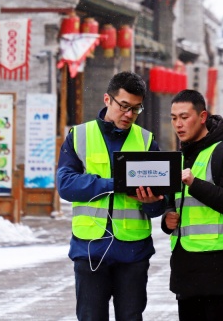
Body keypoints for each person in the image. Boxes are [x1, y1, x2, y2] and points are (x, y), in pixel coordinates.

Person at [57, 71, 165, 321]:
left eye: (136, 109)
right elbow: (66, 185)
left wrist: (152, 204)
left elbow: (161, 202)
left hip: (133, 252)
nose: (129, 114)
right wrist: (114, 184)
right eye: (124, 106)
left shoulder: (146, 141)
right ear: (107, 99)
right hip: (90, 249)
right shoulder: (79, 136)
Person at [162, 89, 223, 321]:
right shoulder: (180, 157)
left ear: (202, 117)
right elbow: (174, 203)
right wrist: (167, 218)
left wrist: (195, 183)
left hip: (218, 267)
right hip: (185, 267)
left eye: (184, 117)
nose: (178, 124)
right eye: (174, 118)